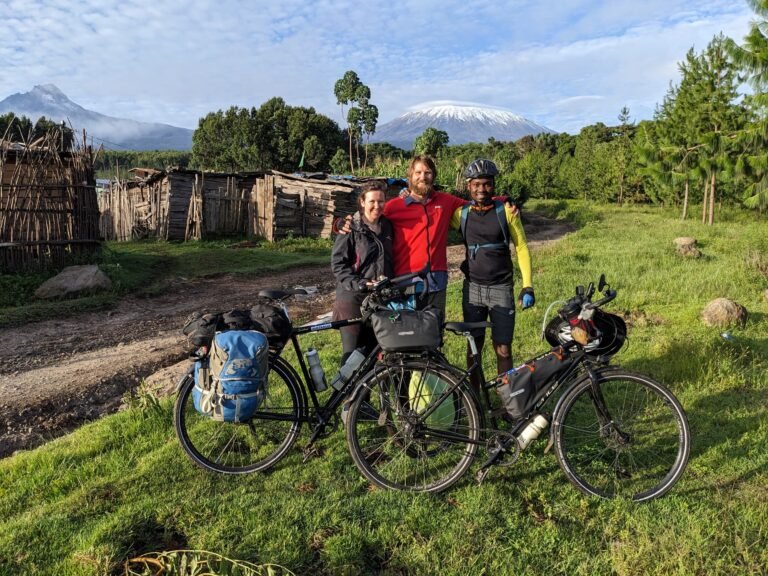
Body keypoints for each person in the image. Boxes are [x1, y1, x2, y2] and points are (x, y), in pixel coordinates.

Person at [450, 159, 534, 390]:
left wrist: (527, 285)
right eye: (477, 184)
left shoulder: (506, 211)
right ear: (469, 186)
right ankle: (476, 399)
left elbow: (522, 247)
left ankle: (508, 401)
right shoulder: (460, 214)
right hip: (473, 289)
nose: (481, 189)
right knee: (473, 348)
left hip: (501, 288)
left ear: (494, 185)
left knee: (503, 349)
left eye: (487, 184)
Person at [331, 181, 393, 364]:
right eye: (372, 201)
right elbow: (338, 264)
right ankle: (347, 393)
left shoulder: (388, 226)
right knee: (352, 358)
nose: (377, 206)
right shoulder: (351, 227)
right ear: (362, 202)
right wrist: (358, 283)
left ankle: (365, 392)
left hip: (377, 300)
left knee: (373, 354)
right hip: (352, 300)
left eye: (381, 201)